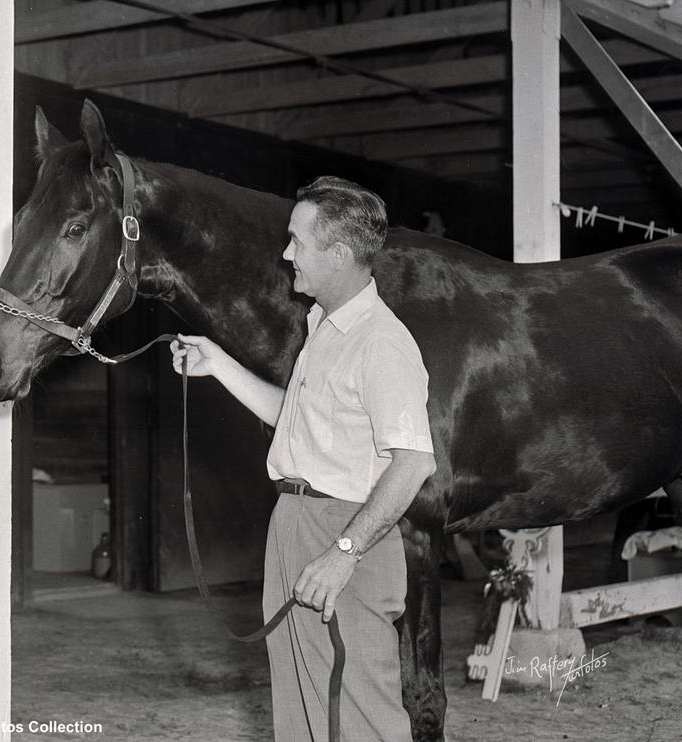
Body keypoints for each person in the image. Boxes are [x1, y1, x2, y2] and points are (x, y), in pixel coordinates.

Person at [170, 176, 435, 741]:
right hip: (295, 524)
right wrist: (218, 365)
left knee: (358, 712)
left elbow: (413, 463)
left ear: (338, 255)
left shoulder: (381, 343)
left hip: (344, 534)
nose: (286, 253)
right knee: (301, 708)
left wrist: (342, 553)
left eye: (297, 241)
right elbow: (292, 419)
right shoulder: (323, 329)